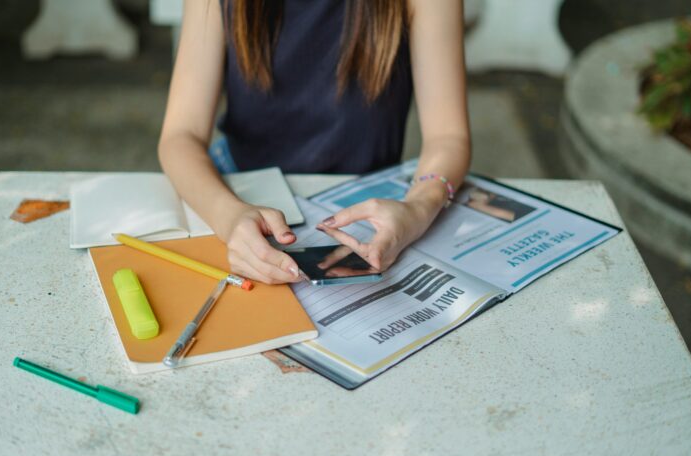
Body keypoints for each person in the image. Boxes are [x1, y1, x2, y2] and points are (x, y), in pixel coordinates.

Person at [158, 0, 470, 284]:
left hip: (368, 199)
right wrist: (227, 216)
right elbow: (180, 135)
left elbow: (448, 136)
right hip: (237, 187)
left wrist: (418, 207)